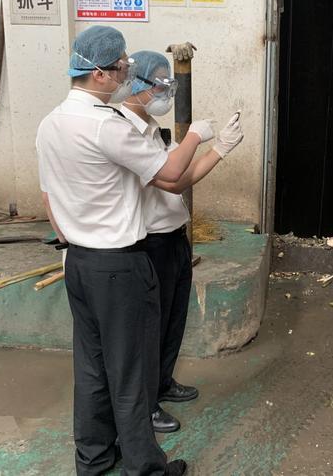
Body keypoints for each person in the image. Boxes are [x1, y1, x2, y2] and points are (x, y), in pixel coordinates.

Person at [36, 26, 215, 476]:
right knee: (132, 372)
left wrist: (73, 238)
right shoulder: (106, 125)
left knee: (92, 369)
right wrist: (196, 136)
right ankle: (146, 468)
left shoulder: (51, 122)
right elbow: (171, 174)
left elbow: (49, 198)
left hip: (78, 261)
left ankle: (94, 459)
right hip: (118, 265)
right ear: (99, 73)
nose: (125, 77)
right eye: (121, 68)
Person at [121, 50, 243, 433]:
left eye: (169, 84)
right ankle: (146, 406)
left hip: (174, 239)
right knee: (148, 330)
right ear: (135, 84)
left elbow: (182, 179)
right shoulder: (123, 133)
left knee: (174, 319)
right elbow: (173, 176)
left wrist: (219, 149)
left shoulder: (154, 130)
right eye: (160, 84)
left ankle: (162, 383)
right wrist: (194, 137)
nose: (166, 93)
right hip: (149, 244)